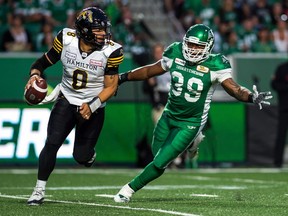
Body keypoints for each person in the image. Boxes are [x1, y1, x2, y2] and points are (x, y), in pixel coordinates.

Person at [114, 24, 272, 203]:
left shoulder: (216, 63)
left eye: (198, 46)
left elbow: (234, 89)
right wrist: (122, 77)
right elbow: (150, 70)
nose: (193, 49)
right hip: (168, 115)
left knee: (160, 163)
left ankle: (127, 190)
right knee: (156, 153)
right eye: (190, 44)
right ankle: (193, 143)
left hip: (190, 123)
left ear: (208, 46)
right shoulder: (175, 52)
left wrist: (251, 97)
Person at [25, 7, 124, 205]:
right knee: (51, 143)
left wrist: (93, 105)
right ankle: (38, 190)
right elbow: (43, 62)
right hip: (67, 99)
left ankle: (88, 155)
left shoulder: (111, 50)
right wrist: (35, 74)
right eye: (97, 29)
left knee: (81, 156)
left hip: (93, 105)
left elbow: (111, 87)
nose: (103, 34)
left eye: (104, 29)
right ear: (84, 29)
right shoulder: (66, 39)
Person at [271, 60, 288, 168]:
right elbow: (274, 84)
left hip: (284, 105)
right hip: (284, 107)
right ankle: (278, 162)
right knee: (281, 135)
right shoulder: (282, 68)